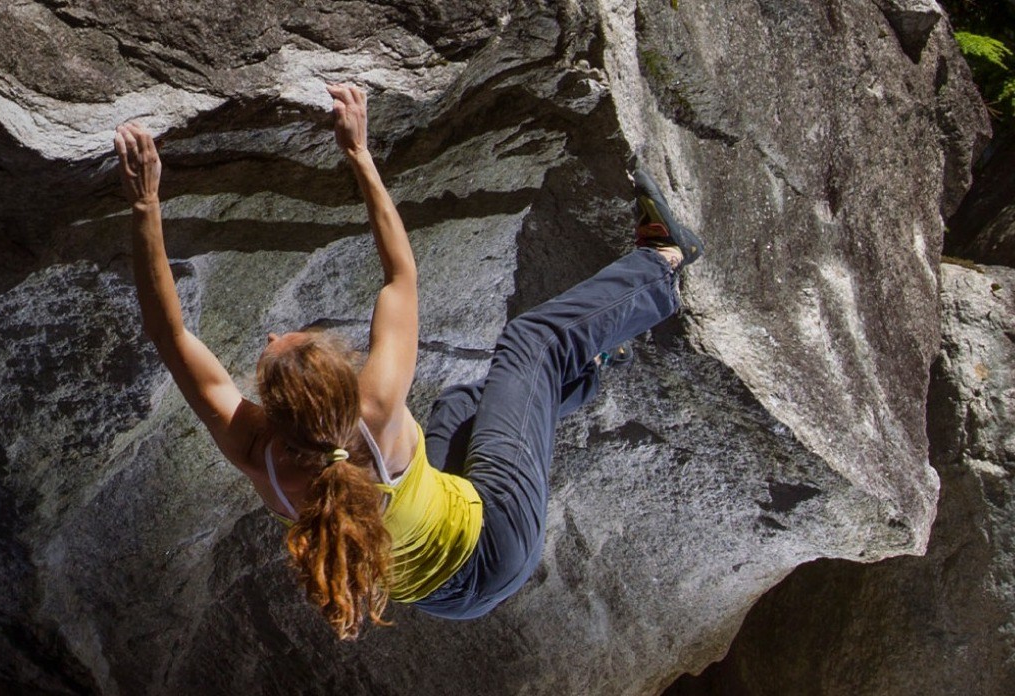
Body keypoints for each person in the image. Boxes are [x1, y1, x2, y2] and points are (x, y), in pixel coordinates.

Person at [113, 83, 703, 639]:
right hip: (496, 540)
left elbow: (170, 336)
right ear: (346, 385)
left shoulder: (258, 455)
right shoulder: (376, 408)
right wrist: (359, 154)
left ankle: (589, 367)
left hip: (444, 600)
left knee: (461, 406)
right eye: (288, 340)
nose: (273, 332)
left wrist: (145, 205)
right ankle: (664, 259)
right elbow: (400, 276)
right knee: (532, 344)